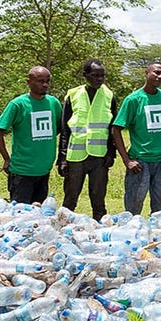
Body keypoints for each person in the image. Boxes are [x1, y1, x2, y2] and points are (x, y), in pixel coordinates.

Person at [110, 62, 161, 215]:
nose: (159, 76)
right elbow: (116, 129)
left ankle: (154, 236)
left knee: (159, 208)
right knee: (133, 206)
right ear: (146, 73)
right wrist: (127, 160)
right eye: (156, 72)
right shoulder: (133, 100)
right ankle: (131, 233)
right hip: (140, 162)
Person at [0, 66, 63, 205]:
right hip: (22, 171)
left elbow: (58, 128)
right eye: (40, 81)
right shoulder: (18, 104)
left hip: (44, 169)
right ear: (28, 82)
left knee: (38, 215)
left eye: (47, 81)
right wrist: (6, 158)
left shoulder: (53, 103)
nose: (45, 84)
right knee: (20, 215)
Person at [57, 59, 117, 221]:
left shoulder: (109, 96)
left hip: (99, 157)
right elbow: (65, 130)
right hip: (75, 157)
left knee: (98, 201)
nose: (99, 79)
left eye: (102, 76)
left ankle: (99, 234)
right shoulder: (73, 95)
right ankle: (62, 231)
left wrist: (111, 154)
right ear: (85, 75)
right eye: (95, 75)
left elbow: (113, 129)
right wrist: (62, 159)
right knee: (70, 200)